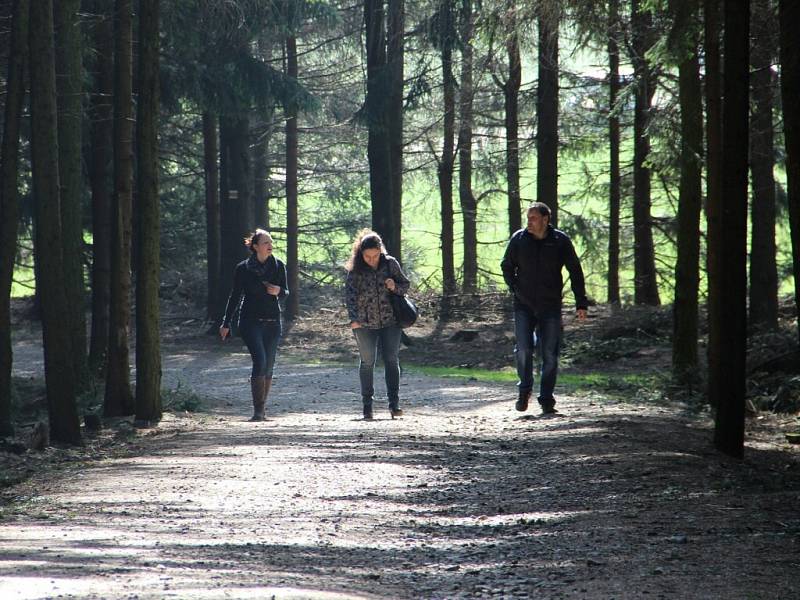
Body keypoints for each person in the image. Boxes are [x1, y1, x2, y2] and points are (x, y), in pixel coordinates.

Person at [500, 202, 588, 415]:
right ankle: (524, 390)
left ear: (545, 219)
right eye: (528, 218)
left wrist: (581, 302)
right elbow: (506, 265)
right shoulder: (519, 239)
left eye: (533, 218)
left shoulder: (560, 241)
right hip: (523, 304)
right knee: (524, 349)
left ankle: (546, 398)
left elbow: (575, 270)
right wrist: (514, 287)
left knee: (550, 354)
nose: (529, 222)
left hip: (550, 306)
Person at [220, 229, 288, 421]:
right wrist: (226, 322)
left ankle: (262, 409)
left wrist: (279, 291)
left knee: (269, 365)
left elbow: (286, 292)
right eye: (266, 242)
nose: (270, 245)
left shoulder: (278, 266)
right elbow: (235, 296)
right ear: (255, 246)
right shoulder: (243, 268)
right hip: (250, 321)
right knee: (260, 361)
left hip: (273, 322)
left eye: (271, 242)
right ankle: (258, 411)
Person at [345, 229, 410, 420]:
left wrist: (394, 287)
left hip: (391, 321)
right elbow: (349, 297)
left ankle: (394, 404)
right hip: (364, 324)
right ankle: (367, 406)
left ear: (381, 251)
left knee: (391, 359)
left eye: (375, 256)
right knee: (367, 362)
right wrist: (354, 319)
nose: (371, 260)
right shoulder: (355, 269)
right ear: (360, 254)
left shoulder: (390, 264)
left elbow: (405, 285)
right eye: (367, 256)